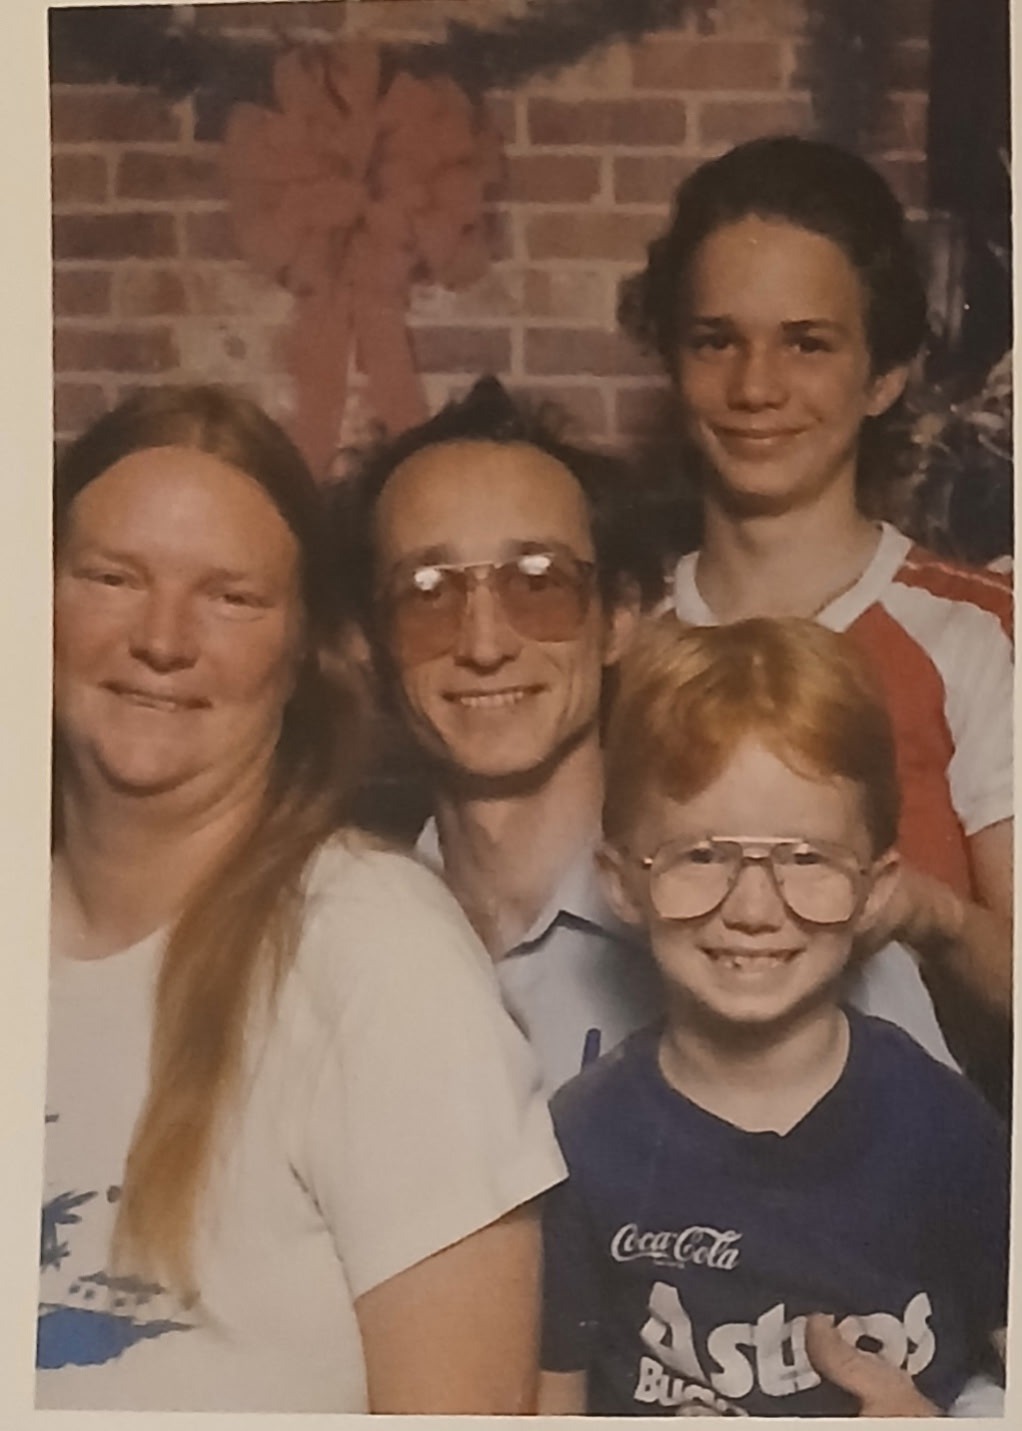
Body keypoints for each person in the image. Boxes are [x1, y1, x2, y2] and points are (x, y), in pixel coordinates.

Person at [39, 384, 565, 1413]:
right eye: (111, 577)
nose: (162, 638)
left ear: (299, 656)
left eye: (230, 597)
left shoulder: (376, 958)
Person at [340, 376, 955, 1097]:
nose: (484, 643)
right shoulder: (340, 936)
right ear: (369, 644)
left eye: (538, 584)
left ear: (621, 616)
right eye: (427, 593)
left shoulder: (783, 916)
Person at [622, 135, 1013, 1109]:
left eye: (807, 343)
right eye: (715, 340)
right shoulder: (616, 637)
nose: (755, 387)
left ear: (882, 375)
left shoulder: (977, 633)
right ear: (671, 361)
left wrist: (932, 915)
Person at [539, 616, 1008, 1418]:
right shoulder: (582, 1142)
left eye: (805, 858)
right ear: (620, 880)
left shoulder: (947, 1126)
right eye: (701, 855)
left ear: (875, 886)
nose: (754, 908)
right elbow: (551, 1401)